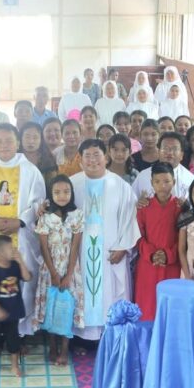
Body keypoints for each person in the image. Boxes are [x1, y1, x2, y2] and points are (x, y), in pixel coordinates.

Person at [0, 123, 45, 336]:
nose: (4, 145)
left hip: (21, 235)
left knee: (22, 282)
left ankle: (20, 331)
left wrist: (20, 221)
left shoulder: (30, 170)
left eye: (9, 141)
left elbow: (39, 202)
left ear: (17, 143)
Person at [69, 139, 140, 341]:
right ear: (80, 160)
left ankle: (109, 337)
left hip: (111, 251)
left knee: (110, 294)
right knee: (83, 292)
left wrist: (123, 247)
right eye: (87, 156)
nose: (92, 160)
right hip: (80, 252)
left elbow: (130, 218)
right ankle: (83, 338)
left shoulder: (120, 185)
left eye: (96, 155)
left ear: (106, 158)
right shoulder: (72, 184)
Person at [33, 175, 84, 365]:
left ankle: (64, 349)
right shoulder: (45, 217)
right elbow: (43, 247)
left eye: (66, 192)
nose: (62, 196)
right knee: (51, 305)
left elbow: (75, 247)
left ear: (72, 193)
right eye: (57, 192)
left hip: (70, 268)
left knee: (67, 306)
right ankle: (52, 346)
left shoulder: (77, 215)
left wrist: (68, 274)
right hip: (50, 268)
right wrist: (54, 274)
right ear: (50, 195)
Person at [134, 162, 181, 321]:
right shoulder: (144, 207)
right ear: (152, 183)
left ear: (174, 182)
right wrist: (151, 254)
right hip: (148, 265)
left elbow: (184, 238)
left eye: (167, 181)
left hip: (172, 265)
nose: (163, 186)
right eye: (158, 182)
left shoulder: (180, 207)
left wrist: (168, 255)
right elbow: (137, 236)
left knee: (171, 310)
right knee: (147, 308)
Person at [0, 235, 32, 378]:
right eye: (10, 248)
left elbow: (27, 278)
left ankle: (14, 366)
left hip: (13, 312)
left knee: (13, 339)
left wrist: (21, 261)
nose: (14, 250)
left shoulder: (15, 266)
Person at [132, 132, 194, 202]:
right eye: (165, 148)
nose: (169, 152)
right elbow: (131, 202)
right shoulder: (143, 176)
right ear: (158, 152)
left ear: (181, 155)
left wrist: (186, 206)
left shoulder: (191, 180)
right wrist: (138, 203)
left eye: (174, 149)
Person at [19, 122, 58, 187]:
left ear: (41, 140)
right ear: (21, 138)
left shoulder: (48, 160)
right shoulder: (14, 158)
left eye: (35, 137)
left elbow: (52, 186)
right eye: (27, 137)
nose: (31, 141)